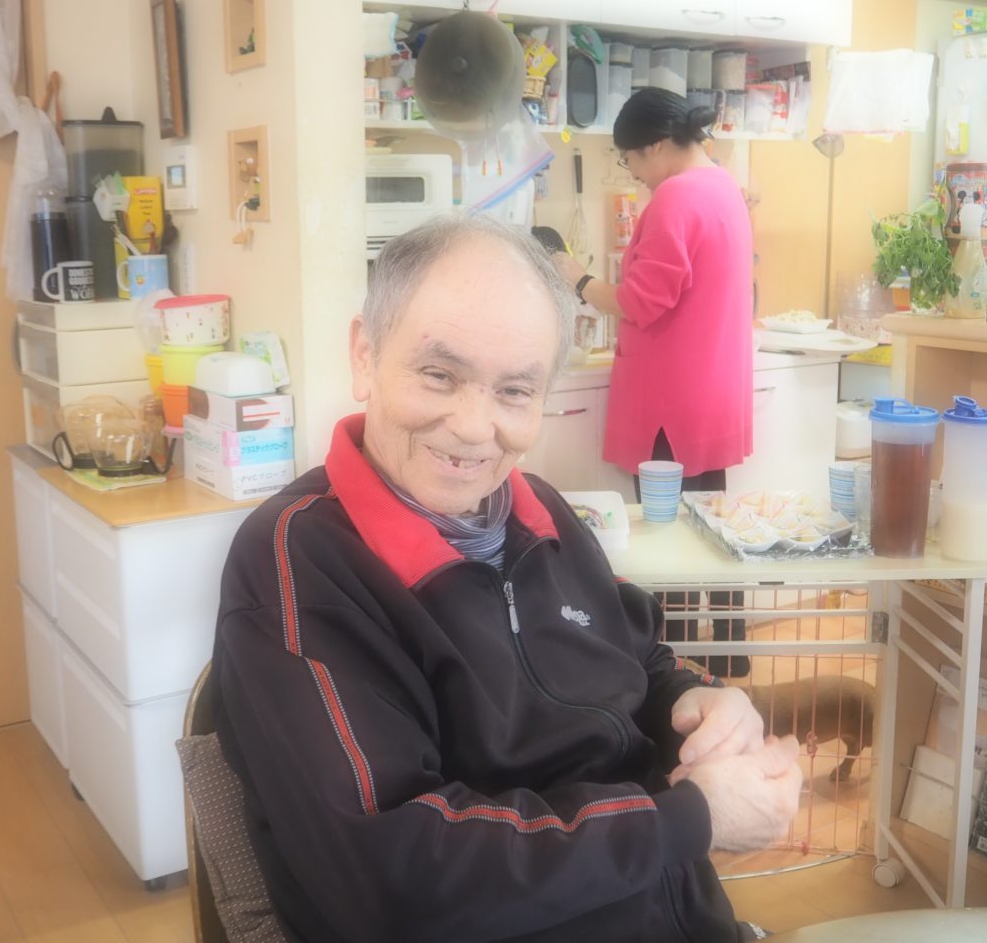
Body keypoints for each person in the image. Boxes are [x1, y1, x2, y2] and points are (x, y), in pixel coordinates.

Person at [212, 214, 802, 943]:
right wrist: (689, 818)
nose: (473, 426)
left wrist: (694, 701)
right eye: (439, 375)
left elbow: (638, 659)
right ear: (365, 355)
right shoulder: (299, 560)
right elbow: (393, 877)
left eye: (515, 391)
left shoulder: (540, 512)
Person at [554, 88, 756, 677]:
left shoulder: (676, 197)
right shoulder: (723, 185)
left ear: (658, 145)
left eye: (631, 160)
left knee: (670, 536)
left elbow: (641, 302)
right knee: (713, 525)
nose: (635, 174)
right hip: (712, 390)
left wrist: (577, 279)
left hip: (672, 399)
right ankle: (730, 652)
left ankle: (678, 668)